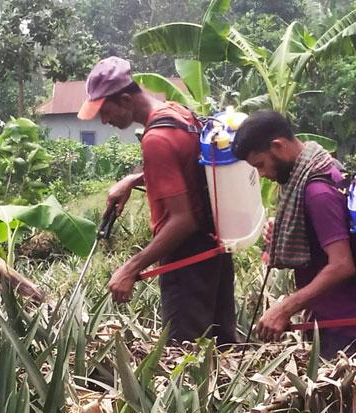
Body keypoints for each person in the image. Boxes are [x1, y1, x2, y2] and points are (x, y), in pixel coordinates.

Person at [78, 57, 237, 344]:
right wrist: (133, 179)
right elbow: (186, 167)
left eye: (105, 111)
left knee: (185, 359)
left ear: (125, 99)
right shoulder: (178, 114)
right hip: (215, 251)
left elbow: (183, 220)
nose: (104, 120)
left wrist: (131, 267)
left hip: (185, 261)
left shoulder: (156, 139)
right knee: (222, 349)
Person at [231, 111, 356, 365]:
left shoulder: (317, 192)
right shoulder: (324, 165)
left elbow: (341, 265)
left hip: (349, 333)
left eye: (260, 164)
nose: (261, 174)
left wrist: (284, 309)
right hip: (347, 324)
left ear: (278, 146)